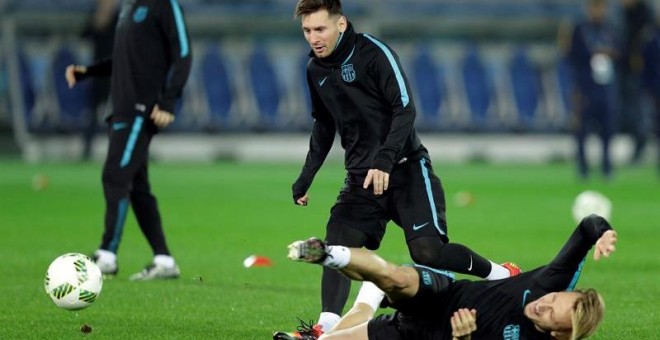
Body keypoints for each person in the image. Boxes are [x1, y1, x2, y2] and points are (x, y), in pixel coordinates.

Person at [279, 0, 520, 337]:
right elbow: (323, 126)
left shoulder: (374, 53)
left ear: (341, 24)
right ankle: (326, 326)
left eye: (320, 29)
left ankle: (501, 275)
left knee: (428, 252)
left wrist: (384, 159)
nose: (313, 38)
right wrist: (306, 176)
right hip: (362, 179)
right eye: (307, 31)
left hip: (406, 168)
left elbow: (405, 109)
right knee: (338, 240)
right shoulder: (314, 71)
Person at [286, 214, 617, 340]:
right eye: (554, 300)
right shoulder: (551, 282)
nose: (544, 304)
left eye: (550, 313)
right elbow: (588, 226)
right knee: (397, 278)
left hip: (422, 337)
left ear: (558, 336)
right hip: (444, 294)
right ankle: (328, 253)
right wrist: (603, 232)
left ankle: (345, 315)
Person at [65, 0, 192, 280]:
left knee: (115, 175)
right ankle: (164, 260)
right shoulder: (128, 7)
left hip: (139, 109)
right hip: (120, 109)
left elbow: (183, 52)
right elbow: (123, 60)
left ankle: (107, 255)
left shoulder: (164, 4)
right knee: (136, 187)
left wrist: (169, 101)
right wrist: (88, 71)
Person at [562, 0, 619, 180]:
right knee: (582, 129)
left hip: (605, 86)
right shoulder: (579, 30)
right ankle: (583, 168)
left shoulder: (610, 29)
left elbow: (621, 52)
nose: (597, 11)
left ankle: (607, 167)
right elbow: (571, 56)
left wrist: (610, 53)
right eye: (595, 7)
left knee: (607, 129)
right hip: (585, 86)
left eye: (601, 7)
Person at [80, 0, 119, 161]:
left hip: (117, 73)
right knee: (93, 115)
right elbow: (83, 35)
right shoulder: (96, 17)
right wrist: (98, 22)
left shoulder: (120, 18)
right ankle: (86, 150)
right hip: (99, 74)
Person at [618, 0, 655, 165]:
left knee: (640, 110)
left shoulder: (643, 16)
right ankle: (638, 143)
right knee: (631, 110)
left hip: (642, 74)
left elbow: (645, 43)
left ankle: (642, 143)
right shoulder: (622, 15)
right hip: (625, 70)